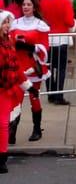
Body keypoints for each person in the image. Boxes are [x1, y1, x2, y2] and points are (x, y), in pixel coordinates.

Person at [9, 0, 51, 142]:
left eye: (29, 4)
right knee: (16, 99)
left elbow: (45, 47)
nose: (26, 7)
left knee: (34, 98)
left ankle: (37, 129)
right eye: (24, 4)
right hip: (18, 67)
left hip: (33, 66)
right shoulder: (15, 24)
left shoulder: (40, 25)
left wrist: (32, 47)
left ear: (34, 7)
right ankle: (12, 131)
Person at [0, 11, 36, 174]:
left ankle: (2, 158)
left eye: (8, 22)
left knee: (3, 124)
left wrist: (29, 87)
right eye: (4, 23)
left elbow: (16, 67)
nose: (8, 26)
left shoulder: (9, 42)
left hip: (6, 90)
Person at [40, 0, 76, 105]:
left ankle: (51, 94)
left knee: (48, 67)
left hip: (47, 40)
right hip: (61, 39)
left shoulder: (43, 2)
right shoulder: (65, 1)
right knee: (61, 69)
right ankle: (59, 96)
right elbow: (70, 22)